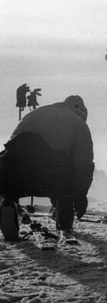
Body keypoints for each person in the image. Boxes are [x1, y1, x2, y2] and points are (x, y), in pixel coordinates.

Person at [0, 95, 94, 241]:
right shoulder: (80, 124)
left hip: (12, 166)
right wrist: (81, 194)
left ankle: (8, 205)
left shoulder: (34, 114)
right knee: (65, 182)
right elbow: (84, 164)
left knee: (10, 189)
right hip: (50, 170)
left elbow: (12, 143)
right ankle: (64, 220)